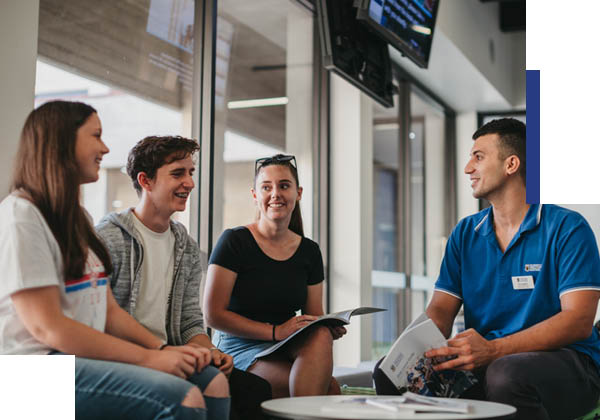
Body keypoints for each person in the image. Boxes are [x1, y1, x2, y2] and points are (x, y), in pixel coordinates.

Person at [0, 101, 229, 419]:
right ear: (63, 141)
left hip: (77, 362)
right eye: (95, 136)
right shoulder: (21, 215)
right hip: (30, 378)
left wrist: (162, 349)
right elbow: (47, 327)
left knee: (213, 384)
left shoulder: (77, 217)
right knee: (182, 398)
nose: (105, 148)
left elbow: (107, 310)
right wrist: (148, 359)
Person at [374, 118, 600, 420]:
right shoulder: (465, 233)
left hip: (571, 365)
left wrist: (494, 350)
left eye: (478, 157)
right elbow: (440, 312)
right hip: (488, 363)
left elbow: (579, 320)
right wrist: (409, 357)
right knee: (388, 375)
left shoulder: (567, 228)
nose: (468, 168)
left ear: (511, 164)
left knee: (506, 374)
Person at [96, 135, 271, 420]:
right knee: (201, 392)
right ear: (146, 181)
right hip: (126, 358)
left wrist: (212, 352)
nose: (189, 183)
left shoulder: (186, 246)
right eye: (178, 173)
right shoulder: (108, 238)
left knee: (252, 388)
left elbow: (189, 321)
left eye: (190, 173)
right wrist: (162, 351)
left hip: (170, 354)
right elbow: (103, 315)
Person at [204, 154, 346, 398]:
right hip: (238, 346)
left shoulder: (310, 251)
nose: (275, 194)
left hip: (285, 343)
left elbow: (312, 315)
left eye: (284, 186)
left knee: (321, 333)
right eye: (266, 187)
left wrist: (327, 324)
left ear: (298, 193)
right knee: (329, 388)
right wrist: (274, 331)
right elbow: (213, 315)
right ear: (255, 195)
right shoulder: (234, 241)